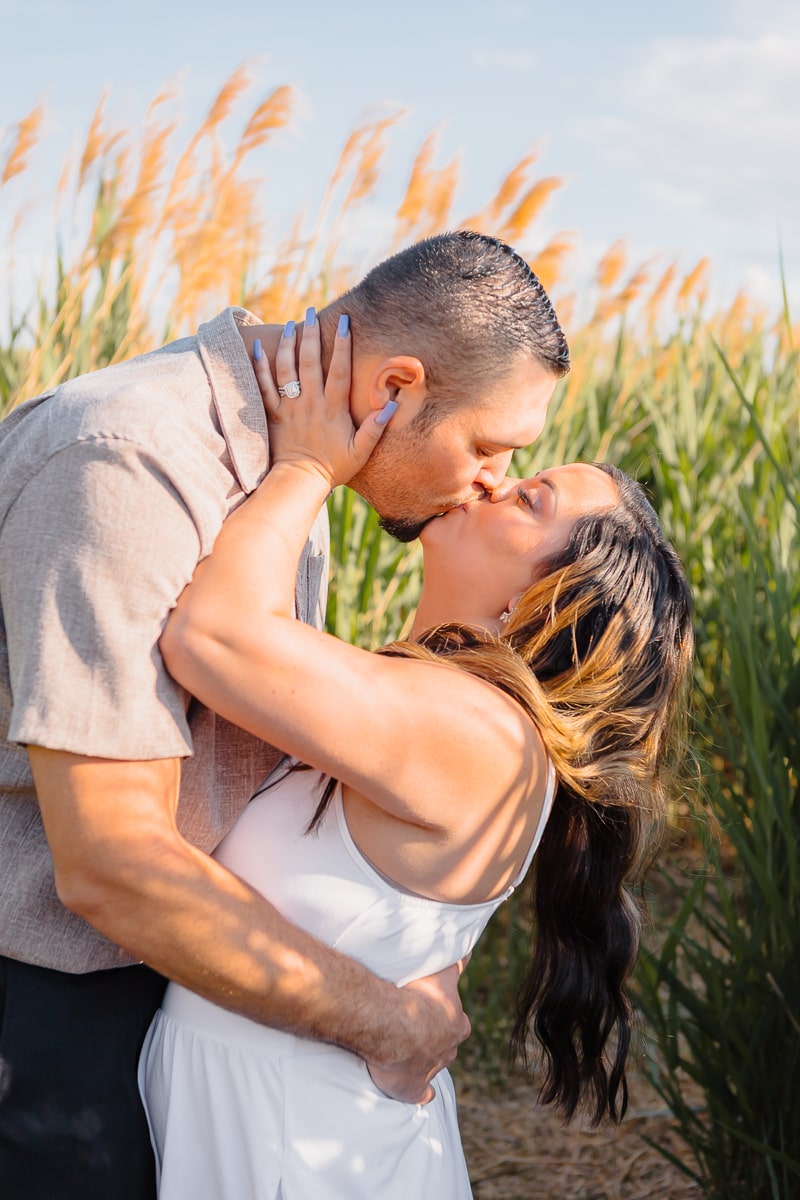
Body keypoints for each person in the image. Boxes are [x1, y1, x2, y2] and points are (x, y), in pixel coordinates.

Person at [0, 231, 570, 1199]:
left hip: (182, 989)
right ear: (395, 383)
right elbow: (110, 864)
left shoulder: (284, 472)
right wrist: (383, 1019)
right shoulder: (133, 464)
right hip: (57, 1027)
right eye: (485, 446)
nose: (487, 480)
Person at [138, 313, 694, 1198]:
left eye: (529, 499)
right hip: (277, 1122)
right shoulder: (435, 703)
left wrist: (308, 468)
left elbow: (210, 637)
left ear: (543, 605)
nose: (489, 482)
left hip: (304, 1152)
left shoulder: (475, 732)